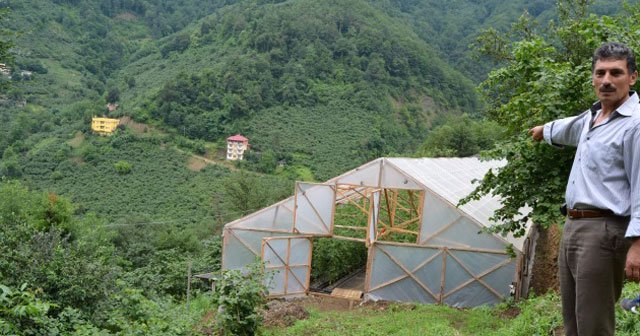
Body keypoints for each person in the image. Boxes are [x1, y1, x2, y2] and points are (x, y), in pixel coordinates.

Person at [529, 42, 640, 336]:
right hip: (574, 225)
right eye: (600, 73)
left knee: (593, 325)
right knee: (573, 322)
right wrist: (544, 130)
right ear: (592, 78)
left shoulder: (635, 124)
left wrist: (638, 244)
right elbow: (568, 127)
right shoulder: (593, 118)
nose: (606, 80)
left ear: (632, 77)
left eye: (616, 72)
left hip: (604, 230)